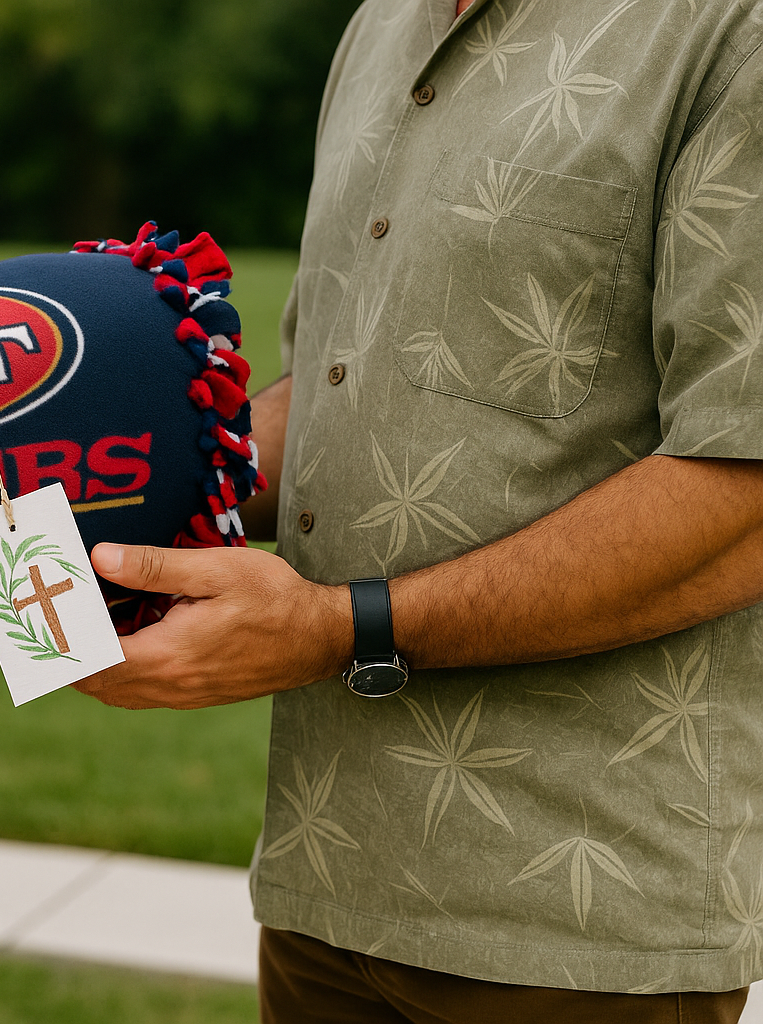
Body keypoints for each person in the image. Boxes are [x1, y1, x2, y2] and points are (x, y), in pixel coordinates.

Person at [75, 0, 763, 1020]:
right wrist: (87, 494)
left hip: (572, 929)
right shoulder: (378, 26)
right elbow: (336, 392)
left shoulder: (727, 27)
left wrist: (346, 626)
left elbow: (743, 487)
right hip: (325, 885)